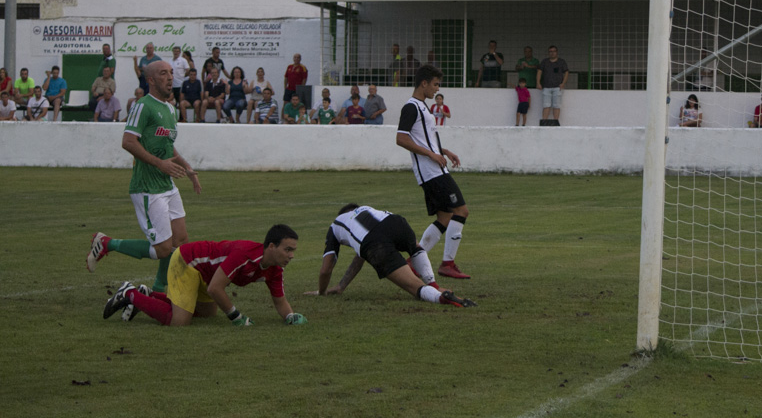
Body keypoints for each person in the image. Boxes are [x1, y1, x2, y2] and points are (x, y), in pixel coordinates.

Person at [86, 60, 202, 307]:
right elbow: (128, 142)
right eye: (163, 73)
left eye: (171, 73)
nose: (170, 77)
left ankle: (159, 290)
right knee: (163, 249)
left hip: (167, 185)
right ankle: (107, 243)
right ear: (150, 80)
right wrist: (160, 164)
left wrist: (187, 167)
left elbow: (168, 146)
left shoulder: (170, 110)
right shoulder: (143, 106)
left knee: (179, 241)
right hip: (147, 188)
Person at [103, 224, 306, 327]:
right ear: (271, 246)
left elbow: (280, 302)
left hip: (206, 273)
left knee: (207, 314)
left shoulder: (276, 268)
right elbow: (215, 289)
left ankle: (148, 294)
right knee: (180, 322)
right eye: (288, 249)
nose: (291, 255)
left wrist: (290, 316)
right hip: (187, 261)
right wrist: (237, 317)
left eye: (293, 250)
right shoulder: (244, 255)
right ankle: (129, 293)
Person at [304, 204, 476, 308]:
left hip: (373, 241)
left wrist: (322, 292)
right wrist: (341, 286)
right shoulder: (365, 211)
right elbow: (359, 258)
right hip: (396, 222)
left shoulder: (335, 225)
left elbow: (326, 269)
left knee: (414, 288)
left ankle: (439, 297)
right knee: (415, 247)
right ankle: (434, 285)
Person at [396, 64, 473, 280]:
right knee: (461, 211)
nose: (437, 89)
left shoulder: (423, 107)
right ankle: (447, 263)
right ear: (424, 83)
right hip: (432, 172)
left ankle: (413, 261)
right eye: (435, 84)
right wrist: (431, 155)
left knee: (446, 216)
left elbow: (425, 138)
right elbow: (401, 138)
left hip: (436, 168)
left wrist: (444, 151)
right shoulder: (411, 107)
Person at [538, 45, 569, 122]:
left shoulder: (561, 62)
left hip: (557, 87)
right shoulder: (544, 62)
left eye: (554, 51)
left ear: (557, 52)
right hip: (546, 86)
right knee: (546, 105)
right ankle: (544, 122)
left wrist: (563, 83)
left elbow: (566, 72)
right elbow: (539, 72)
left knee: (557, 105)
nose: (552, 53)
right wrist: (538, 82)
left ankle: (555, 122)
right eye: (550, 51)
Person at [169, 46, 190, 111]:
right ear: (172, 52)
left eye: (177, 51)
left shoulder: (183, 60)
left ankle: (181, 118)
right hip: (172, 85)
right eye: (175, 51)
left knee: (180, 102)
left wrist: (183, 76)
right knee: (172, 102)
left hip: (180, 84)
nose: (176, 53)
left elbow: (188, 70)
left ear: (180, 52)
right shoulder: (170, 61)